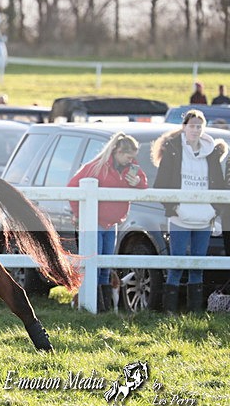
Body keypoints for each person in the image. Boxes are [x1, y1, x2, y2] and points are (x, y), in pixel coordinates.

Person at [152, 109, 228, 313]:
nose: (195, 129)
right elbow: (161, 184)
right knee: (176, 264)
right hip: (179, 217)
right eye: (191, 125)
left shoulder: (211, 153)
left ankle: (195, 312)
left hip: (205, 218)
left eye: (199, 126)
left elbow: (218, 185)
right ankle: (169, 311)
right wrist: (173, 208)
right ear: (184, 127)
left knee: (198, 266)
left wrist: (214, 211)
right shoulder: (173, 151)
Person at [67, 132, 148, 312]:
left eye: (132, 157)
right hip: (94, 222)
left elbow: (143, 183)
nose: (130, 160)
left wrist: (137, 181)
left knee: (105, 266)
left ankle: (102, 308)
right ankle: (93, 307)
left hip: (112, 223)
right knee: (93, 265)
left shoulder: (132, 168)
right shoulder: (96, 167)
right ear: (117, 152)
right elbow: (72, 187)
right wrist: (79, 214)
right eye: (127, 156)